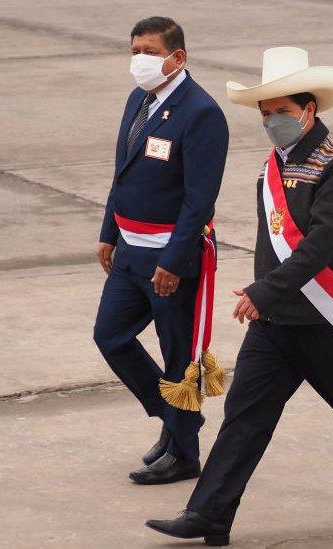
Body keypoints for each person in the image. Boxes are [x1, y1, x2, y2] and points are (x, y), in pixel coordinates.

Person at [144, 47, 333, 546]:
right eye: (267, 115)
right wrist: (266, 297)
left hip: (321, 316)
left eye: (284, 113)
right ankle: (209, 514)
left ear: (309, 111)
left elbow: (321, 243)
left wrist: (261, 291)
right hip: (274, 322)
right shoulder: (273, 164)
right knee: (244, 418)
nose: (274, 122)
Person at [92, 16, 229, 485]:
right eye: (134, 52)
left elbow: (199, 198)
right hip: (129, 251)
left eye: (149, 52)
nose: (140, 62)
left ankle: (185, 453)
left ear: (178, 57)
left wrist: (173, 260)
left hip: (170, 258)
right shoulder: (139, 99)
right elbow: (122, 172)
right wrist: (108, 230)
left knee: (177, 354)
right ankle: (173, 421)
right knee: (110, 336)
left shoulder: (201, 112)